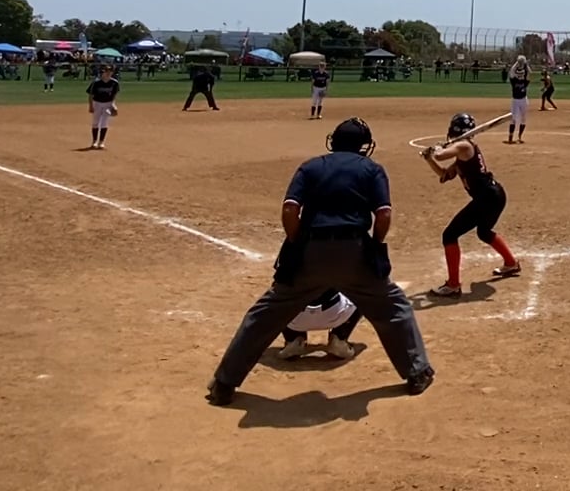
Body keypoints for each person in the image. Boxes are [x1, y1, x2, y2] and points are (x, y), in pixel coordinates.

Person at [206, 117, 434, 404]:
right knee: (394, 307)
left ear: (333, 141)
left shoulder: (311, 166)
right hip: (354, 251)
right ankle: (417, 373)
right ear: (363, 146)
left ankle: (224, 383)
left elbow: (290, 210)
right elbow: (384, 214)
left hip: (310, 251)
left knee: (264, 315)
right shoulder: (372, 169)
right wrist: (375, 245)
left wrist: (296, 243)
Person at [422, 112, 521, 297]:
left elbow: (441, 155)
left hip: (488, 198)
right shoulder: (462, 152)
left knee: (449, 235)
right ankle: (511, 263)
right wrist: (429, 159)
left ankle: (453, 285)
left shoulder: (464, 146)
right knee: (484, 232)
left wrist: (437, 149)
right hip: (492, 197)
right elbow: (444, 174)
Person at [275, 288, 360, 361]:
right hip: (334, 315)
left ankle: (293, 339)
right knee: (361, 291)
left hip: (296, 320)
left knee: (277, 296)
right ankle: (340, 338)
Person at [86, 65, 119, 150]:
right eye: (106, 71)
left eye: (110, 71)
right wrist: (91, 106)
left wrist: (113, 105)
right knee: (95, 123)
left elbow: (114, 95)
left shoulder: (114, 83)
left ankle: (101, 142)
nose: (108, 73)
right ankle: (94, 142)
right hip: (97, 103)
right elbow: (91, 95)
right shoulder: (96, 82)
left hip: (108, 104)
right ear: (102, 72)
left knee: (104, 123)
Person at [507, 56, 530, 143]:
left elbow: (529, 73)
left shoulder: (525, 81)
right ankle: (510, 136)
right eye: (519, 74)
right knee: (513, 118)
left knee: (523, 119)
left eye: (522, 74)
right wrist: (517, 62)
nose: (520, 75)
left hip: (523, 100)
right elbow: (511, 71)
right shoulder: (514, 81)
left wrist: (525, 63)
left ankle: (520, 136)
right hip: (515, 100)